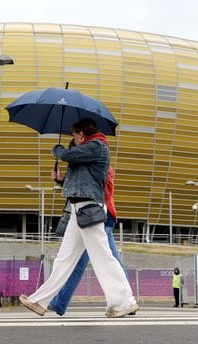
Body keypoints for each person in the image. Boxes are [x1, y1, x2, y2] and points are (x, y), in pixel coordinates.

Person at [19, 118, 138, 318]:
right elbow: (80, 181)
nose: (72, 137)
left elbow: (68, 155)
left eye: (74, 134)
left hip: (89, 209)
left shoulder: (97, 146)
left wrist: (59, 151)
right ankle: (39, 300)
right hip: (78, 209)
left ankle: (125, 301)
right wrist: (60, 180)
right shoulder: (86, 152)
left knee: (103, 258)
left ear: (82, 133)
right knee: (64, 259)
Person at [48, 141, 129, 316]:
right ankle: (127, 301)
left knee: (82, 262)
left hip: (96, 216)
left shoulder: (99, 163)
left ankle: (60, 303)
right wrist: (62, 181)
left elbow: (96, 189)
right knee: (112, 259)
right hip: (96, 216)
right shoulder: (89, 166)